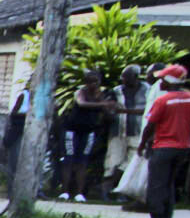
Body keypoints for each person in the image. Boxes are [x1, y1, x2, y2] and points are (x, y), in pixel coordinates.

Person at [141, 64, 190, 218]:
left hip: (162, 147)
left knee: (156, 185)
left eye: (162, 79)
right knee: (169, 183)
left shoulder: (162, 100)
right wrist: (186, 129)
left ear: (169, 81)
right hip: (183, 148)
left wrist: (142, 144)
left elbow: (150, 126)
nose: (160, 82)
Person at [58, 67, 116, 203]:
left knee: (82, 162)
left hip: (89, 131)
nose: (93, 84)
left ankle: (79, 193)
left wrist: (109, 109)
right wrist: (104, 104)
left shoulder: (102, 95)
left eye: (96, 81)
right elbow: (82, 103)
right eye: (90, 82)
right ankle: (65, 191)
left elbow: (108, 113)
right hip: (72, 129)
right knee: (68, 160)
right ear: (86, 83)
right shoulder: (81, 92)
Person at [107, 63, 152, 196]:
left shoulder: (148, 89)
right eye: (123, 77)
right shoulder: (116, 90)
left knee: (131, 163)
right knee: (112, 162)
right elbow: (109, 108)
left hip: (138, 132)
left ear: (136, 77)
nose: (123, 80)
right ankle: (108, 192)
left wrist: (123, 111)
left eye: (127, 77)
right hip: (118, 132)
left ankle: (123, 192)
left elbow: (149, 110)